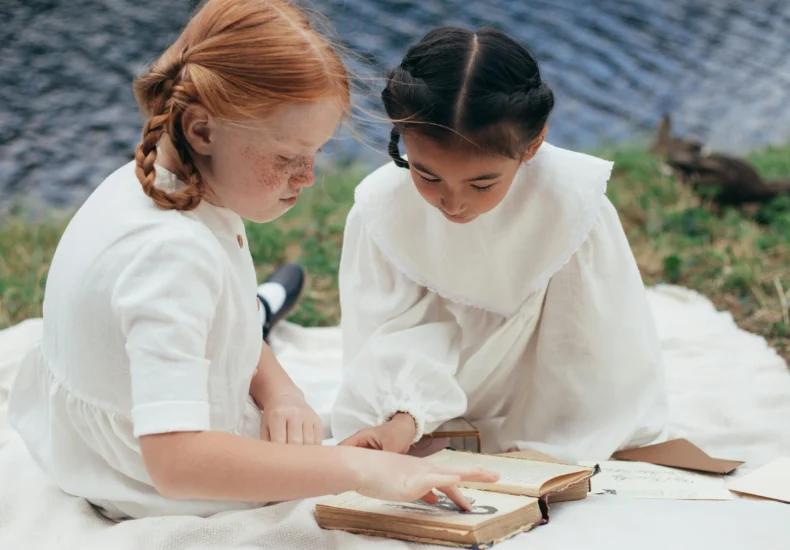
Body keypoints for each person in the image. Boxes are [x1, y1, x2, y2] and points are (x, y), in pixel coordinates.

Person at [8, 3, 496, 520]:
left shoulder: (159, 180)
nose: (307, 177)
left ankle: (263, 311)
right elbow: (176, 463)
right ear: (202, 130)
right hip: (147, 484)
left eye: (316, 153)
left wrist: (280, 390)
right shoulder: (171, 256)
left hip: (90, 448)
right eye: (288, 157)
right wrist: (363, 473)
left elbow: (214, 310)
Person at [332, 27, 668, 462]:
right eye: (426, 175)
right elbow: (393, 329)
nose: (453, 203)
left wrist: (559, 443)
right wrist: (405, 416)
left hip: (542, 401)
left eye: (482, 182)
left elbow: (589, 345)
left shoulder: (572, 207)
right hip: (424, 408)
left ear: (533, 145)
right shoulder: (381, 212)